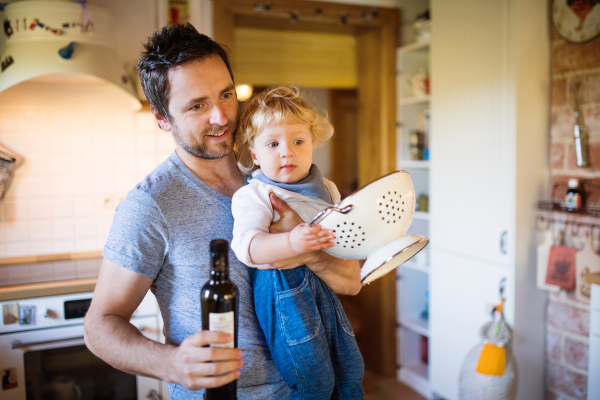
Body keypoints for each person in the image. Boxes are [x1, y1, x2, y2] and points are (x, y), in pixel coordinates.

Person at [83, 23, 361, 400]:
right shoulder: (150, 205)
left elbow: (350, 281)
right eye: (197, 105)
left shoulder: (274, 175)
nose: (221, 116)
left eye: (226, 94)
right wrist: (173, 363)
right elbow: (99, 327)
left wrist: (306, 248)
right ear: (162, 118)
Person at [231, 86, 365, 399]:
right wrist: (294, 241)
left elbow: (346, 245)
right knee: (313, 381)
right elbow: (248, 248)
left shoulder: (327, 189)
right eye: (273, 143)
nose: (287, 151)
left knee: (350, 371)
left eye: (298, 141)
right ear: (254, 153)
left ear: (312, 144)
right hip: (283, 294)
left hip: (325, 294)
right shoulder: (255, 195)